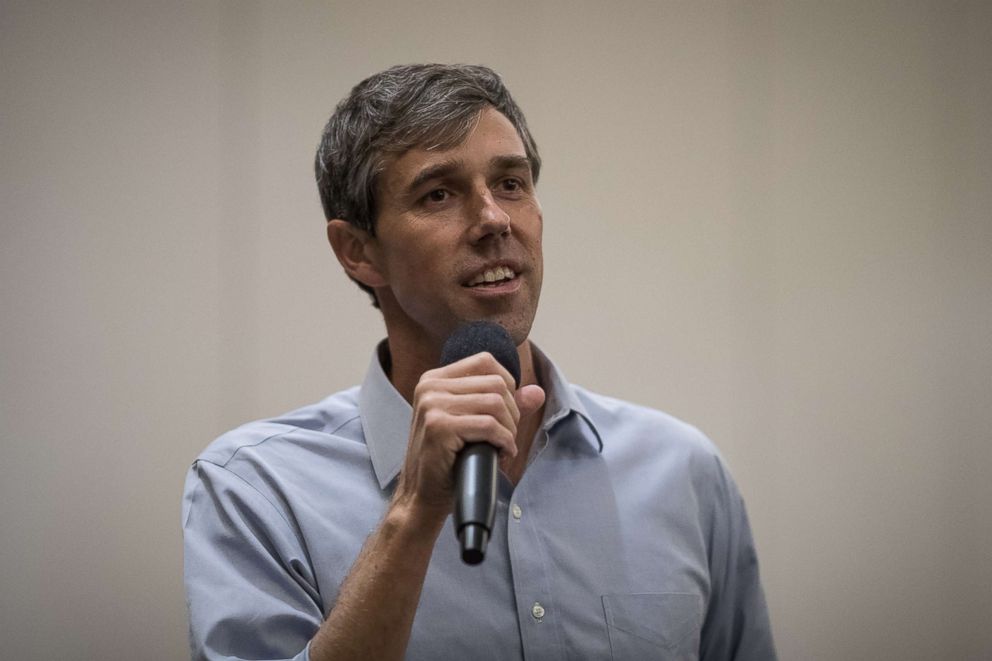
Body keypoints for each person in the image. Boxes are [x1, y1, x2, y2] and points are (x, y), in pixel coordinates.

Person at [182, 63, 776, 661]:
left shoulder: (683, 473)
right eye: (438, 193)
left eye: (511, 184)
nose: (494, 219)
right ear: (358, 252)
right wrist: (414, 514)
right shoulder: (254, 490)